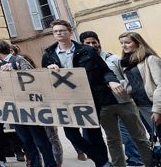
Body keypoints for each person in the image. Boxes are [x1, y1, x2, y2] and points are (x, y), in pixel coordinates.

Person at [42, 20, 151, 167]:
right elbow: (43, 78)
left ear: (70, 32)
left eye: (62, 30)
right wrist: (48, 70)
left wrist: (112, 81)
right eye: (55, 31)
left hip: (91, 99)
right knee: (72, 135)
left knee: (95, 135)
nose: (59, 33)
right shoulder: (48, 54)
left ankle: (105, 164)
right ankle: (103, 162)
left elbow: (104, 70)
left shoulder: (87, 50)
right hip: (66, 102)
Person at [81, 30, 146, 166]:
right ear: (83, 45)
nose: (92, 45)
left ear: (99, 42)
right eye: (88, 43)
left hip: (123, 102)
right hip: (104, 106)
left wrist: (114, 84)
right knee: (113, 140)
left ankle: (146, 161)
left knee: (138, 136)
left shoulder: (113, 59)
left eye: (94, 42)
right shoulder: (83, 63)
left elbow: (128, 79)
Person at [0, 39, 56, 167]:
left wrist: (14, 73)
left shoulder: (18, 60)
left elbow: (32, 77)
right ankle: (36, 164)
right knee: (26, 140)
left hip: (29, 108)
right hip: (15, 110)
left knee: (40, 140)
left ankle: (50, 164)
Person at [118, 32, 161, 140]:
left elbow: (160, 85)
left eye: (127, 42)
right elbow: (132, 85)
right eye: (122, 43)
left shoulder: (150, 59)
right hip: (142, 106)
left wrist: (157, 110)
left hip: (155, 105)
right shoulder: (127, 63)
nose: (124, 46)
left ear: (138, 43)